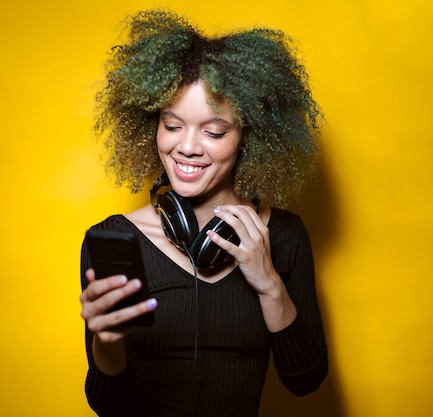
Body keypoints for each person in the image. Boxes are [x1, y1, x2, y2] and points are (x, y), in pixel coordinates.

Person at [79, 9, 328, 417]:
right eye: (172, 125)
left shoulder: (284, 236)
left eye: (213, 131)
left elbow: (305, 381)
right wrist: (104, 342)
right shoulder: (113, 241)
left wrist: (269, 285)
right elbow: (110, 405)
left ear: (248, 136)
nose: (188, 147)